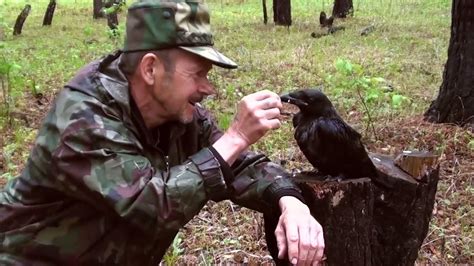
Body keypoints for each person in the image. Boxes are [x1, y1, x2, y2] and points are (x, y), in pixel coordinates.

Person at [0, 0, 324, 264]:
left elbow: (235, 163)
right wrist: (237, 135)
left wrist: (289, 199)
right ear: (151, 69)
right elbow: (150, 206)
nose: (207, 88)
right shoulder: (82, 118)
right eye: (197, 73)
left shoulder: (176, 113)